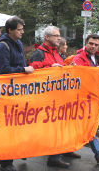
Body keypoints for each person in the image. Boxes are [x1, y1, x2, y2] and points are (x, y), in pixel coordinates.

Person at [0, 16, 34, 171]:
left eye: (22, 29)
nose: (22, 31)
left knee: (17, 125)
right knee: (6, 127)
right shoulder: (3, 46)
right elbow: (3, 70)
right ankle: (5, 161)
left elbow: (21, 63)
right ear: (10, 30)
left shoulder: (18, 43)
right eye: (19, 29)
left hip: (18, 91)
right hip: (6, 93)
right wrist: (23, 70)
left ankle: (14, 152)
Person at [29, 26, 73, 168]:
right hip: (44, 100)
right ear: (47, 37)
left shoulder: (57, 54)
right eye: (56, 35)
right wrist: (49, 70)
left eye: (59, 35)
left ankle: (54, 157)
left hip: (57, 99)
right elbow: (33, 76)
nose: (59, 38)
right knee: (38, 129)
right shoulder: (38, 54)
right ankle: (22, 149)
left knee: (57, 129)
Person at [72, 34, 99, 163]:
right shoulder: (79, 58)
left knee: (81, 126)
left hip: (93, 99)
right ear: (86, 43)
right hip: (82, 99)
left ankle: (62, 151)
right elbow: (78, 77)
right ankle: (98, 153)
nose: (93, 46)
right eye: (91, 43)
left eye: (96, 45)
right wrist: (93, 71)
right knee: (88, 126)